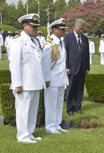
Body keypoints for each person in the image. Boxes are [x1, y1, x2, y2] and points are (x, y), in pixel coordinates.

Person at [9, 13, 43, 143]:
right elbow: (15, 64)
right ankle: (22, 136)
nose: (35, 29)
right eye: (33, 26)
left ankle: (29, 133)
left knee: (32, 110)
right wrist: (17, 84)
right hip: (23, 84)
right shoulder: (17, 41)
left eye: (36, 26)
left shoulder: (35, 40)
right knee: (23, 111)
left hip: (35, 82)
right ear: (25, 26)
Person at [42, 18, 69, 134]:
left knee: (58, 103)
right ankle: (50, 127)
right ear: (54, 30)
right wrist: (47, 79)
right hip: (52, 79)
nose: (64, 31)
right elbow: (46, 63)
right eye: (61, 29)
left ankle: (57, 125)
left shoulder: (61, 42)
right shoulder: (49, 44)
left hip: (61, 78)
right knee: (51, 104)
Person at [64, 19, 90, 116]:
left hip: (82, 68)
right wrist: (67, 67)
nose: (81, 31)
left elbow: (86, 54)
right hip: (72, 68)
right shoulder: (68, 37)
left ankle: (77, 107)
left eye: (82, 29)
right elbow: (65, 53)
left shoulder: (84, 38)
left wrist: (87, 68)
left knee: (79, 89)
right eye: (79, 29)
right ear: (74, 27)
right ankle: (69, 108)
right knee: (70, 89)